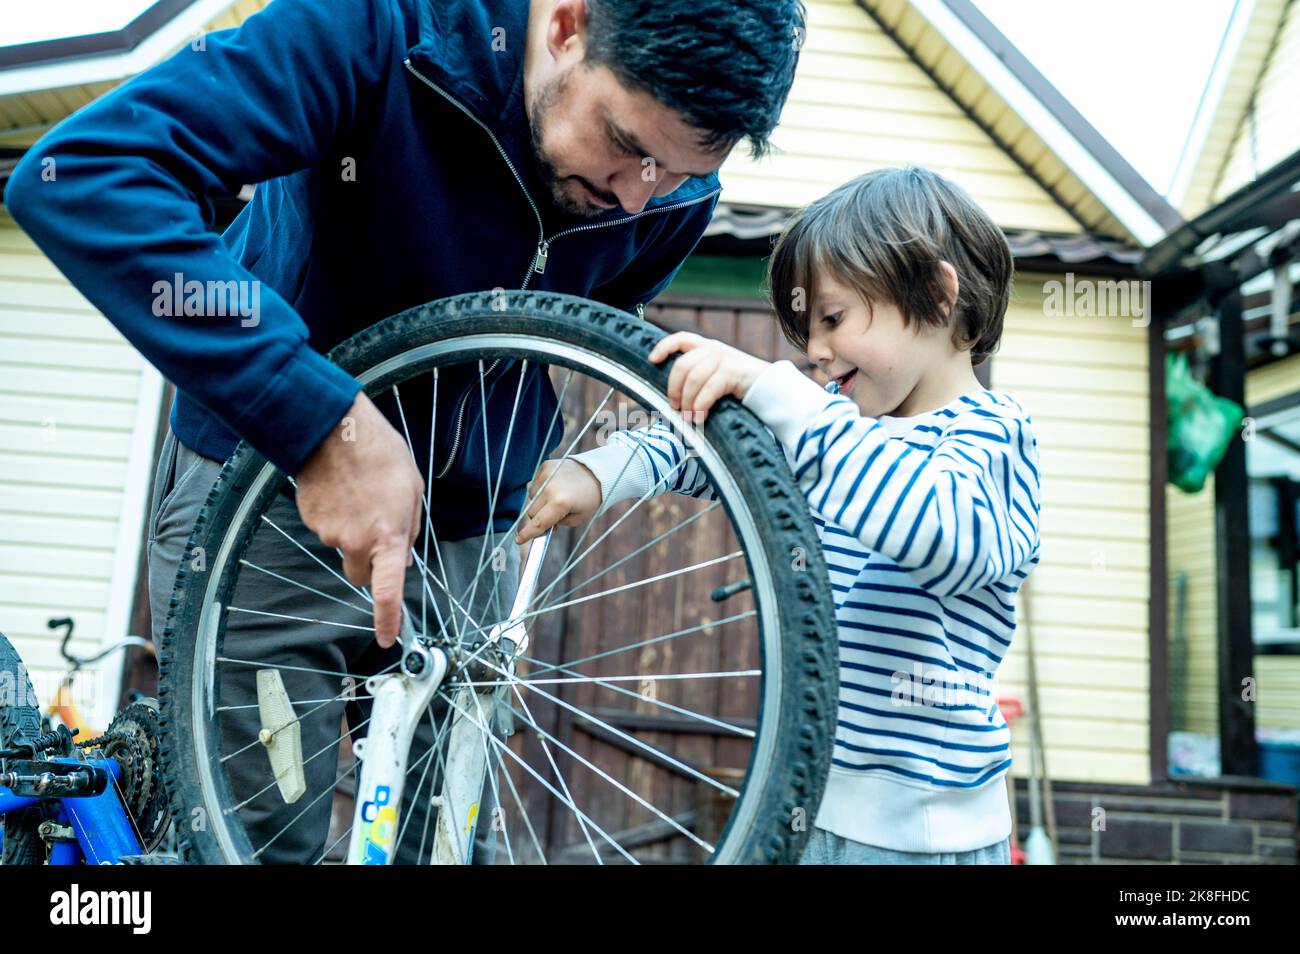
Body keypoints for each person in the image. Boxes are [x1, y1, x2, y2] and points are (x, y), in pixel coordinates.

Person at [2, 0, 806, 863]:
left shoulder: (664, 190)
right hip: (269, 499)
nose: (637, 196)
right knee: (256, 841)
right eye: (627, 145)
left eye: (682, 173)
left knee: (444, 848)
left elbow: (570, 324)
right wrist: (321, 419)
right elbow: (90, 176)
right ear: (568, 24)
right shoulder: (375, 27)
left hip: (467, 533)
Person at [519, 166, 1042, 864]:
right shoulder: (834, 428)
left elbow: (936, 532)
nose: (816, 352)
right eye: (807, 330)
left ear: (939, 297)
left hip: (921, 836)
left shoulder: (990, 435)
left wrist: (785, 398)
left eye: (833, 319)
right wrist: (600, 472)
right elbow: (706, 449)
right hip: (799, 799)